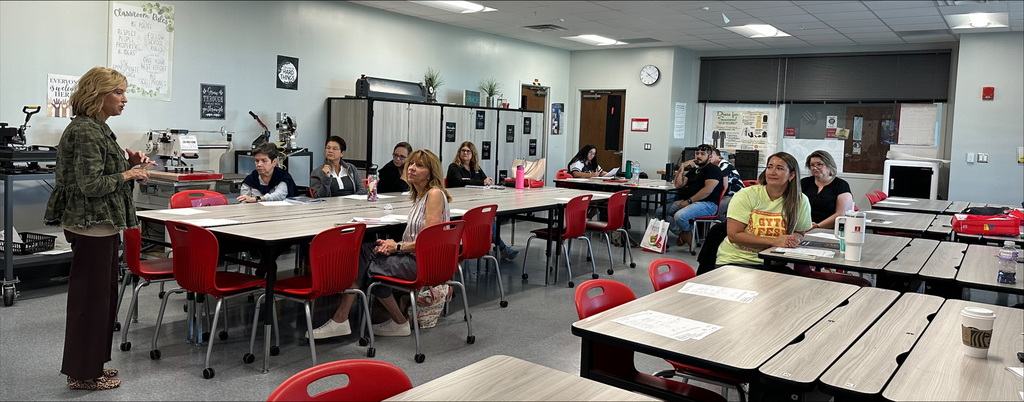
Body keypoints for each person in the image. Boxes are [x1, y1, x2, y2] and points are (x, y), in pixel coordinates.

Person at [43, 66, 155, 391]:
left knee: (103, 300)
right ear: (98, 95)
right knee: (89, 301)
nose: (125, 99)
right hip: (91, 224)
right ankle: (81, 373)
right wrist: (129, 175)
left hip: (103, 225)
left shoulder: (99, 128)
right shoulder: (86, 131)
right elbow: (90, 184)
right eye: (118, 92)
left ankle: (93, 365)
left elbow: (102, 172)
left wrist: (129, 164)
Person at [310, 149, 452, 339]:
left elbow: (430, 241)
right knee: (364, 252)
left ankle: (343, 319)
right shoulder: (419, 195)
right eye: (411, 164)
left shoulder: (434, 194)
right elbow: (417, 237)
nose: (411, 168)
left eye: (419, 166)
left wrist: (398, 247)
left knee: (368, 265)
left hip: (423, 262)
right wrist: (392, 243)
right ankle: (385, 321)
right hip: (414, 255)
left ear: (431, 172)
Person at [715, 152, 813, 272]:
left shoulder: (800, 200)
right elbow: (734, 235)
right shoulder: (746, 195)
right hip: (738, 260)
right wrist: (774, 241)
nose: (772, 172)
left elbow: (800, 232)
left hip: (774, 262)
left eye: (779, 168)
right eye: (769, 167)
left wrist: (793, 239)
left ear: (791, 175)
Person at [445, 141, 518, 260]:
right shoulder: (454, 167)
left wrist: (483, 181)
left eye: (468, 151)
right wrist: (477, 182)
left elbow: (485, 179)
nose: (465, 153)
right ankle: (501, 247)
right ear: (459, 153)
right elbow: (459, 182)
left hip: (474, 202)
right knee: (487, 221)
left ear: (473, 154)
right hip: (460, 205)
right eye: (463, 150)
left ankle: (499, 245)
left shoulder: (476, 168)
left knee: (488, 218)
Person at [654, 144, 723, 248]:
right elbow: (678, 184)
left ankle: (687, 234)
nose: (698, 156)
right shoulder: (694, 171)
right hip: (690, 201)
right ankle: (685, 233)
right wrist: (682, 167)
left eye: (702, 154)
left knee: (679, 216)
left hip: (707, 204)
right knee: (660, 212)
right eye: (697, 153)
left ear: (709, 157)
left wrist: (689, 201)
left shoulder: (713, 169)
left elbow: (707, 190)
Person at [801, 150, 854, 229]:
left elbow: (841, 214)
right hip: (803, 227)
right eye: (812, 165)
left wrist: (817, 226)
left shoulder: (841, 185)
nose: (815, 168)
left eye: (819, 164)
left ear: (829, 165)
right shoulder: (804, 182)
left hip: (828, 229)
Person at [712, 149, 746, 222]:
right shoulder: (713, 166)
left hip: (735, 195)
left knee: (716, 209)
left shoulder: (724, 165)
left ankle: (724, 229)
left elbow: (724, 187)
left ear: (715, 155)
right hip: (727, 195)